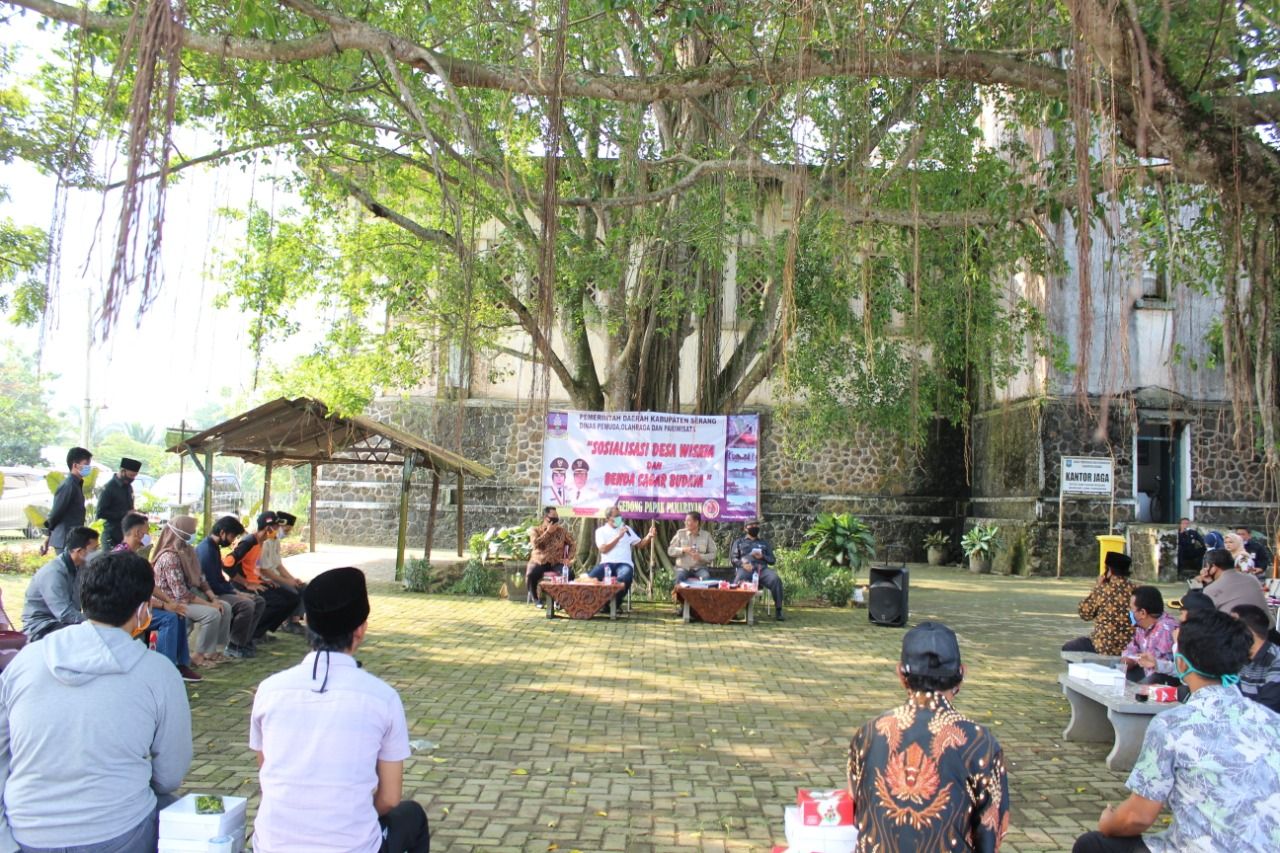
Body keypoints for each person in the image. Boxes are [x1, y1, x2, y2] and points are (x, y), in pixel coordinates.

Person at [0, 549, 192, 852]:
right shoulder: (159, 672)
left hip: (27, 830)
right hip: (118, 829)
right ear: (144, 610)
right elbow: (170, 775)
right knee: (176, 810)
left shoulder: (25, 661)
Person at [250, 567, 430, 853]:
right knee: (413, 816)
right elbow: (390, 798)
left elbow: (267, 771)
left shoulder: (269, 690)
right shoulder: (382, 698)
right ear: (361, 629)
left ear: (307, 622)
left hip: (273, 844)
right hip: (352, 846)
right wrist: (350, 815)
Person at [1072, 610, 1280, 853]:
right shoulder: (1273, 721)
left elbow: (1136, 818)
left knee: (1092, 845)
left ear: (1181, 662)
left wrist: (1109, 821)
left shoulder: (1172, 726)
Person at [847, 621, 1009, 851]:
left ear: (901, 673)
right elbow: (991, 833)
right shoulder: (980, 742)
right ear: (961, 673)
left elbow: (855, 812)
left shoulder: (869, 733)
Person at [113, 512, 202, 683]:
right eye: (147, 532)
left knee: (179, 612)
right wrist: (163, 606)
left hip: (139, 607)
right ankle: (165, 669)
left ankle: (181, 664)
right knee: (168, 619)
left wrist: (171, 602)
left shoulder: (133, 555)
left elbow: (150, 585)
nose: (149, 536)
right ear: (138, 533)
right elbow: (133, 595)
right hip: (126, 611)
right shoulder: (121, 558)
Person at [152, 515, 234, 667]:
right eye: (191, 531)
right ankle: (198, 655)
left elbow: (201, 579)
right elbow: (180, 594)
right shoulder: (169, 557)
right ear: (181, 532)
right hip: (173, 602)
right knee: (212, 614)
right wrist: (210, 605)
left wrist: (213, 598)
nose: (194, 534)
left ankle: (214, 651)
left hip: (190, 597)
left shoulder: (188, 551)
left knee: (225, 607)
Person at [225, 511, 301, 640]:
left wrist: (262, 581)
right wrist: (246, 583)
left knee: (291, 598)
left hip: (256, 582)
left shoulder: (260, 542)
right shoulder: (249, 542)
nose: (278, 530)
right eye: (277, 527)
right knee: (277, 602)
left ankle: (259, 632)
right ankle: (252, 634)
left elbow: (254, 568)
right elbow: (227, 563)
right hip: (243, 585)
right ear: (268, 528)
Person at [197, 515, 266, 658]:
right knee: (246, 604)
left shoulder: (213, 547)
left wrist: (234, 591)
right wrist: (237, 594)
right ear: (222, 532)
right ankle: (234, 645)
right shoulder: (207, 550)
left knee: (258, 601)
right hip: (209, 593)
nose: (233, 541)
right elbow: (213, 584)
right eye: (232, 536)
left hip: (218, 589)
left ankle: (245, 641)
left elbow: (220, 578)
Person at [21, 526, 99, 641]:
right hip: (41, 627)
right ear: (79, 551)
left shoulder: (80, 567)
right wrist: (97, 622)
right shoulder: (53, 573)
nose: (98, 553)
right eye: (94, 550)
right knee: (88, 637)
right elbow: (64, 614)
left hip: (62, 623)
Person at [1062, 552, 1135, 655]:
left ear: (1109, 571)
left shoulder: (1102, 589)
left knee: (1069, 649)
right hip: (1131, 647)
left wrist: (1097, 587)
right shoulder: (1137, 590)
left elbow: (1085, 614)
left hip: (1103, 646)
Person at [588, 505, 656, 606]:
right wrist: (618, 537)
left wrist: (649, 536)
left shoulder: (626, 529)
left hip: (624, 564)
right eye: (616, 517)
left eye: (620, 516)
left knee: (624, 579)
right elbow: (603, 549)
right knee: (590, 578)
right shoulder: (601, 531)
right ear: (607, 519)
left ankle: (613, 604)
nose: (619, 519)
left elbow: (640, 544)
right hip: (606, 564)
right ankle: (599, 603)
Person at [258, 511, 307, 634]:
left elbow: (279, 565)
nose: (286, 533)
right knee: (292, 593)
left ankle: (294, 621)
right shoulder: (265, 542)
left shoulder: (275, 541)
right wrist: (287, 581)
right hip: (267, 579)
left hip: (275, 576)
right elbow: (265, 570)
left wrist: (293, 579)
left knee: (302, 587)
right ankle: (284, 623)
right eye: (286, 530)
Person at [1119, 587, 1179, 685]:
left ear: (1142, 613)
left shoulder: (1165, 630)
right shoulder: (1141, 626)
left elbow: (1162, 668)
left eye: (1131, 609)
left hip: (1164, 680)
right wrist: (1128, 660)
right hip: (1147, 672)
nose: (1129, 613)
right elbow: (1132, 650)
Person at [40, 446, 92, 556]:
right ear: (75, 465)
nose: (89, 467)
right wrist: (48, 535)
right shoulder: (68, 486)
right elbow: (56, 513)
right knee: (67, 571)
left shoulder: (76, 484)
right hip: (65, 539)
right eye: (86, 464)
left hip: (72, 538)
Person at [1230, 603, 1280, 714]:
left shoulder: (1276, 661)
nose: (1227, 633)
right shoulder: (1239, 657)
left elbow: (1267, 712)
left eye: (1232, 627)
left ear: (1249, 632)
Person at [730, 519, 784, 621]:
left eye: (756, 525)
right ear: (746, 528)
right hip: (746, 569)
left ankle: (779, 610)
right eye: (751, 525)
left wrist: (762, 556)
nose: (754, 527)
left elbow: (772, 560)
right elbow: (733, 559)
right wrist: (742, 564)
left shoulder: (764, 543)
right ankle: (734, 611)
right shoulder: (739, 542)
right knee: (737, 581)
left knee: (775, 579)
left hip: (762, 570)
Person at [526, 507, 576, 605]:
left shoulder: (561, 531)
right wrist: (548, 532)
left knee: (569, 574)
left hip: (557, 561)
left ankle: (561, 600)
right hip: (540, 560)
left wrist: (568, 558)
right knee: (531, 573)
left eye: (557, 517)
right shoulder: (535, 530)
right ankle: (536, 599)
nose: (555, 520)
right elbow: (535, 544)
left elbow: (572, 544)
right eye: (553, 517)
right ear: (546, 518)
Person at [1197, 547, 1267, 614]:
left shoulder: (1211, 589)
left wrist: (1208, 584)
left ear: (1214, 568)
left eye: (1206, 566)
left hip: (1239, 626)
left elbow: (1207, 614)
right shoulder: (1252, 579)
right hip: (1269, 625)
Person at [95, 457, 141, 550]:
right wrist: (125, 514)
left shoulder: (129, 487)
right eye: (131, 475)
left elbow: (129, 508)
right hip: (111, 536)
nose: (133, 478)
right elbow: (100, 513)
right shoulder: (108, 488)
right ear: (123, 471)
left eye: (135, 476)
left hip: (126, 535)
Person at [669, 511, 716, 586]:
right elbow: (670, 551)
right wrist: (683, 550)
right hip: (683, 568)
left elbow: (713, 554)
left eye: (688, 521)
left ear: (696, 522)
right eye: (685, 521)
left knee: (706, 577)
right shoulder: (680, 534)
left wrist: (701, 557)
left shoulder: (706, 535)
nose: (686, 523)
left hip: (700, 568)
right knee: (678, 578)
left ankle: (703, 597)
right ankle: (678, 597)